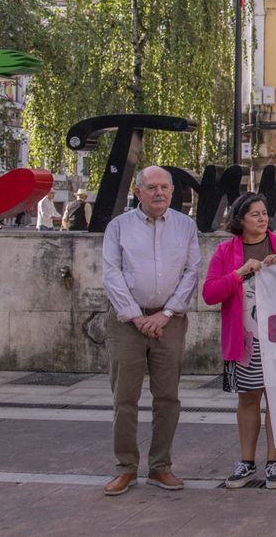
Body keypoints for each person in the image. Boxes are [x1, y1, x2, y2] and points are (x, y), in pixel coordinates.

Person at [100, 166, 200, 496]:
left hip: (169, 322)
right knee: (125, 398)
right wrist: (136, 317)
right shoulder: (119, 227)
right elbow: (111, 273)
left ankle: (160, 466)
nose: (159, 193)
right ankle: (125, 468)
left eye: (165, 187)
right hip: (126, 323)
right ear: (138, 191)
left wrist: (166, 314)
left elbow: (191, 272)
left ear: (172, 191)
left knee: (168, 398)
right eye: (152, 187)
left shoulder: (186, 226)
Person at [202, 192, 276, 490]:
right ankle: (246, 461)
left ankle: (274, 462)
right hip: (244, 340)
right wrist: (240, 272)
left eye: (264, 213)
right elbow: (210, 294)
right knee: (248, 398)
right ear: (240, 219)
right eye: (255, 214)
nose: (262, 219)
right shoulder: (225, 250)